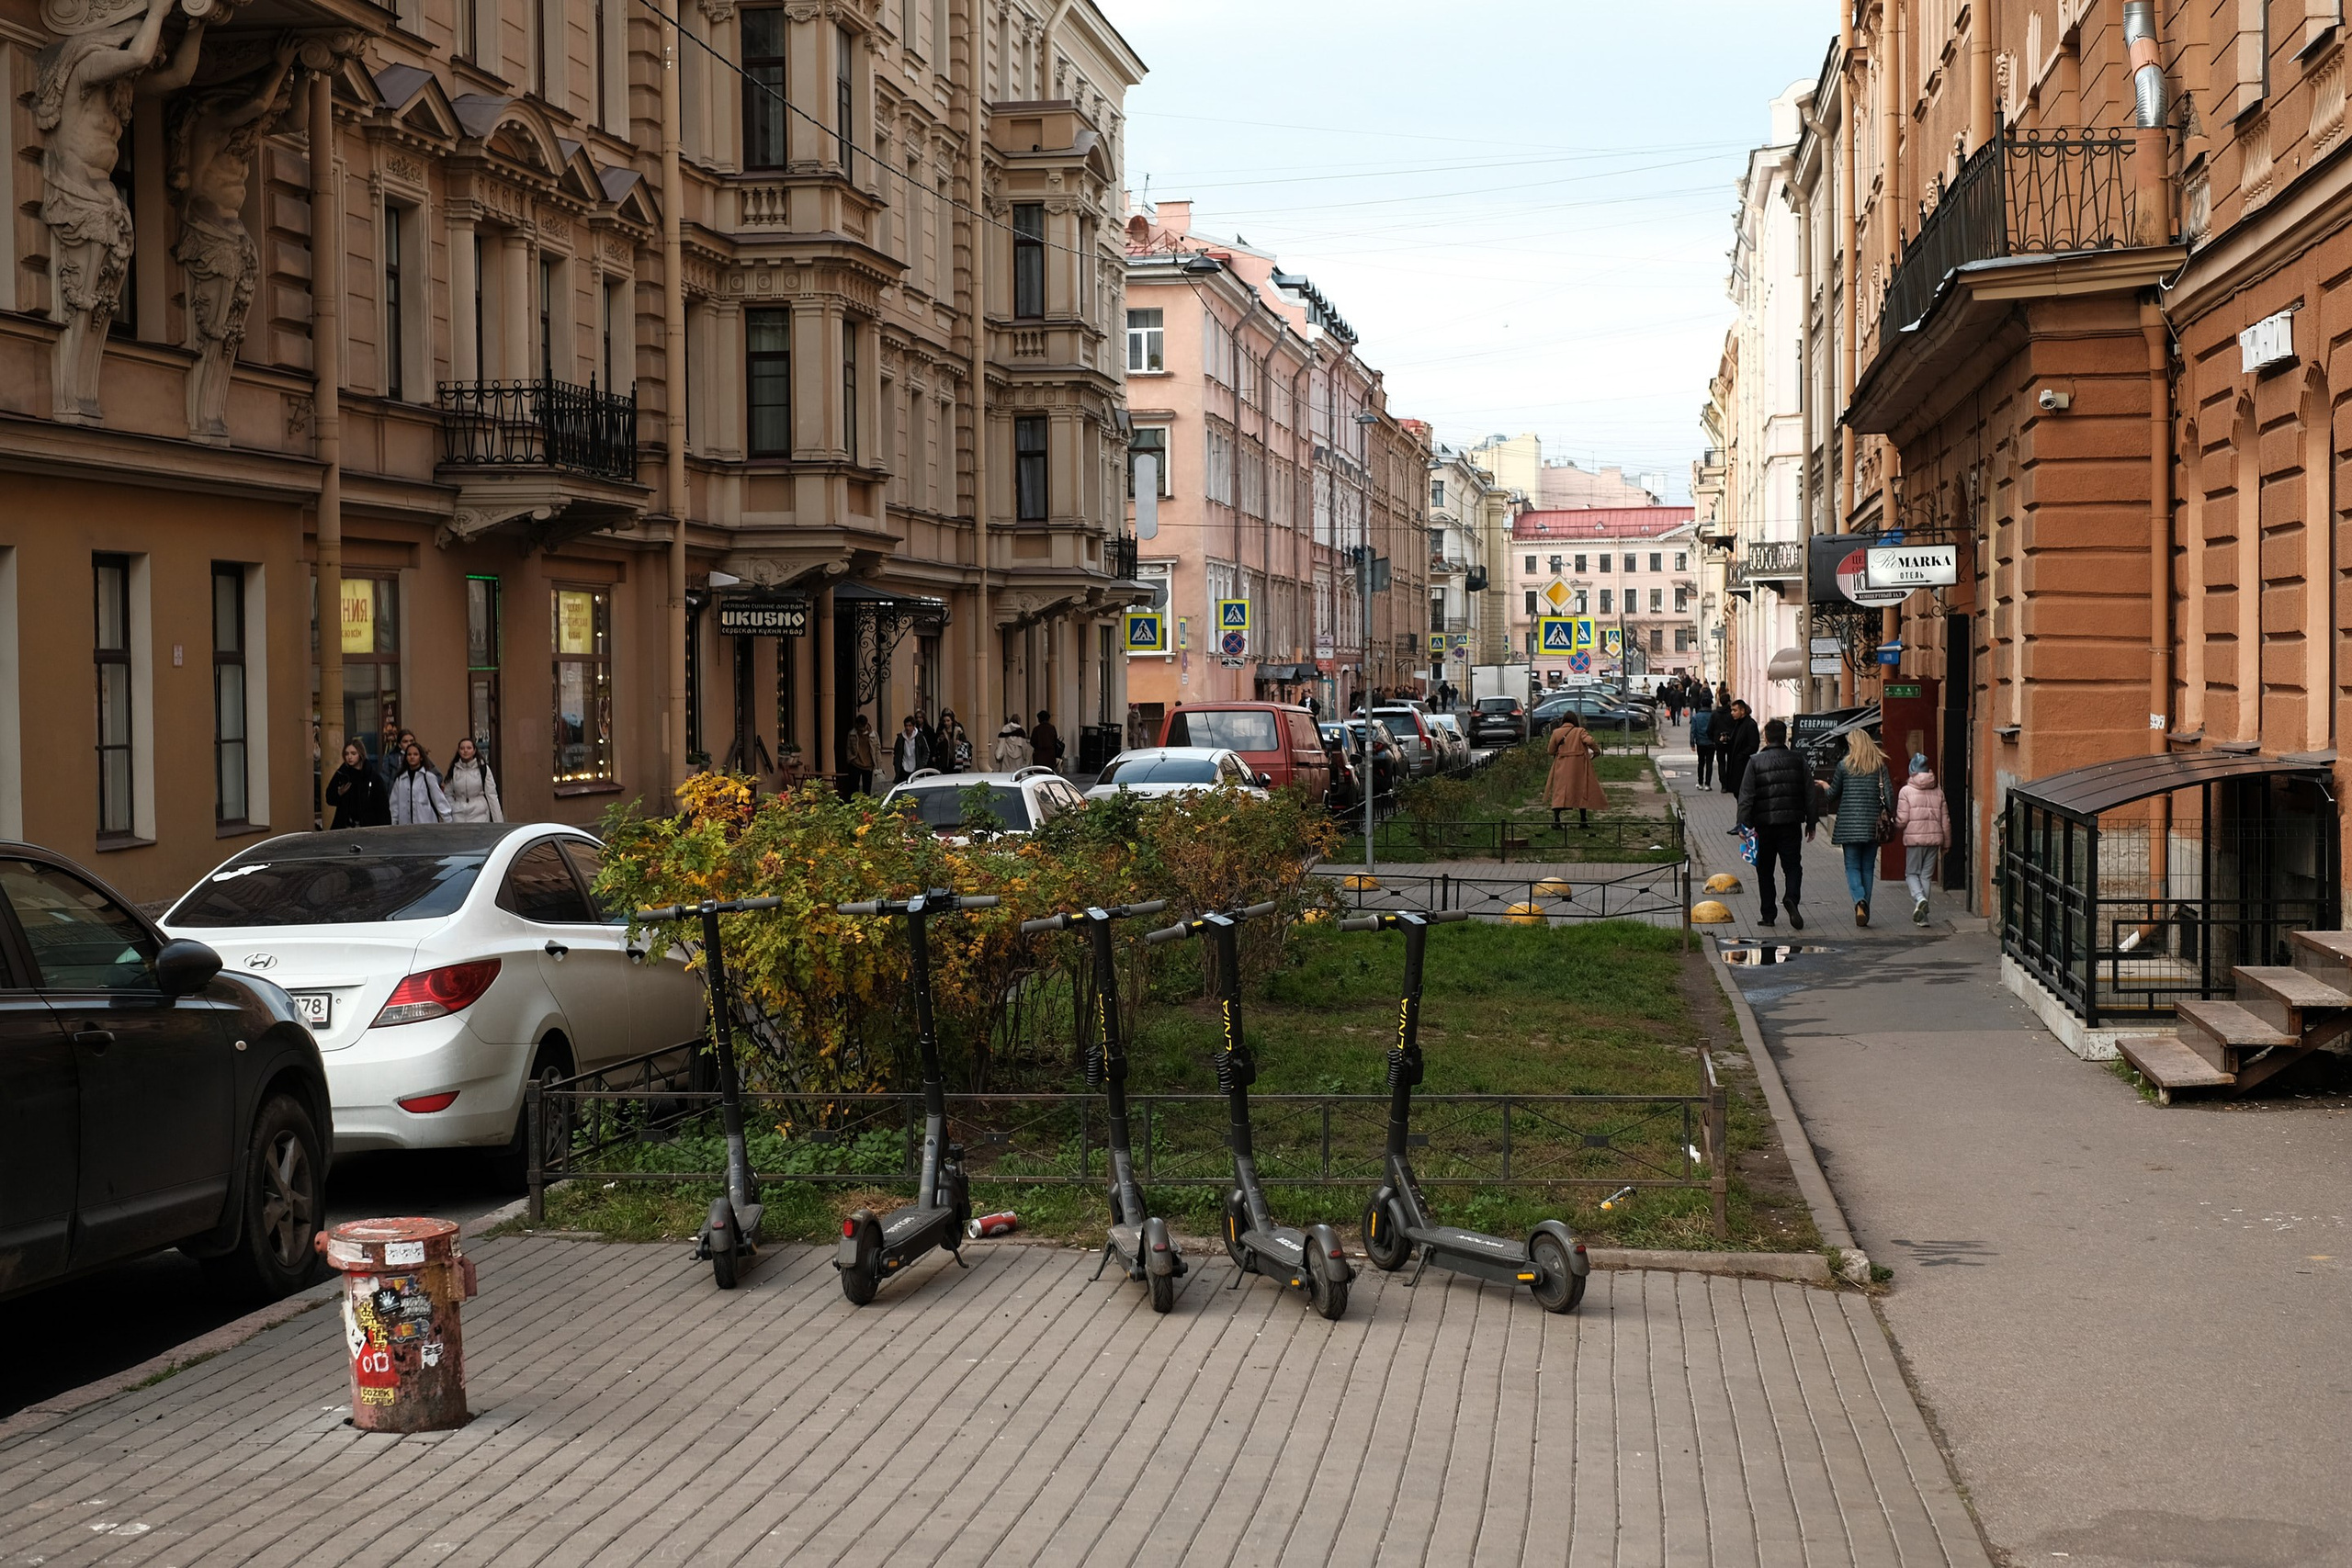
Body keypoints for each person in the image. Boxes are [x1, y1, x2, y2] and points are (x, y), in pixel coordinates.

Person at [1736, 717, 1818, 930]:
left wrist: (1743, 825)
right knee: (1792, 866)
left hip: (1763, 826)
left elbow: (1746, 796)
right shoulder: (1798, 760)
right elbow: (1810, 793)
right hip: (1791, 824)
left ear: (1766, 737)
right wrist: (1811, 822)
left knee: (1765, 870)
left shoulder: (1754, 762)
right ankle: (1791, 897)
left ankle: (1768, 915)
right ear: (1785, 738)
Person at [1821, 728, 1894, 927]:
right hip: (1873, 826)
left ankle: (1859, 900)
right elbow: (1889, 798)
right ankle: (1864, 906)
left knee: (1852, 866)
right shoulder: (1879, 766)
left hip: (1849, 825)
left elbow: (1832, 795)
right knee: (1868, 868)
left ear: (1853, 745)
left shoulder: (1844, 766)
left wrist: (1825, 787)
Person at [1895, 750, 1952, 926]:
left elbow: (1903, 819)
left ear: (1912, 770)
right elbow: (1945, 819)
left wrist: (1895, 824)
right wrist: (1947, 842)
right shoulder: (1938, 791)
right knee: (1926, 876)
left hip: (1915, 840)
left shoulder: (1906, 791)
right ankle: (1923, 918)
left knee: (1911, 873)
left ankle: (1920, 899)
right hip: (1934, 839)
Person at [1544, 711, 1607, 829]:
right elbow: (1590, 741)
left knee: (1560, 791)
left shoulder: (1556, 732)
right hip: (1578, 766)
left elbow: (1550, 751)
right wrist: (1596, 752)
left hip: (1561, 765)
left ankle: (1556, 820)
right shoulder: (1580, 731)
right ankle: (1583, 820)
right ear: (1575, 721)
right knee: (1581, 790)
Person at [325, 739, 390, 829]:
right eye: (346, 754)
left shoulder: (373, 777)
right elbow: (329, 798)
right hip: (345, 826)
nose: (349, 757)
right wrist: (339, 793)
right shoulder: (342, 774)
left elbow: (382, 807)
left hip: (368, 826)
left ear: (360, 754)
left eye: (353, 753)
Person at [388, 739, 451, 824]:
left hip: (427, 826)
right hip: (405, 827)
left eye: (415, 754)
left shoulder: (428, 777)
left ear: (421, 757)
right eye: (409, 754)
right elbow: (394, 806)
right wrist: (393, 823)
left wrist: (448, 821)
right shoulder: (400, 779)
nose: (412, 757)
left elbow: (440, 801)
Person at [444, 736, 503, 823]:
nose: (465, 751)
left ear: (474, 750)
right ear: (459, 751)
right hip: (458, 816)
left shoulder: (483, 768)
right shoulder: (454, 770)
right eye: (462, 748)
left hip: (480, 815)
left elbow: (492, 795)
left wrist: (498, 821)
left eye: (469, 748)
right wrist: (453, 808)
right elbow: (448, 793)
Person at [1717, 700, 1759, 796]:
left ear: (1742, 711)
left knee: (1743, 795)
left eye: (1735, 710)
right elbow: (1735, 742)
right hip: (1735, 766)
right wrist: (1726, 741)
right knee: (1738, 795)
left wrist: (1741, 756)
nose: (1732, 713)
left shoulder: (1750, 724)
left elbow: (1753, 746)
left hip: (1744, 767)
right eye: (1731, 710)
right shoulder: (1738, 724)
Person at [844, 715, 878, 795]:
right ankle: (854, 805)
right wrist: (850, 759)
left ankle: (865, 806)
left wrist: (878, 766)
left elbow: (877, 750)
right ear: (857, 725)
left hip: (868, 765)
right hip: (855, 763)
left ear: (867, 724)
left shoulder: (873, 735)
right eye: (860, 727)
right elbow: (848, 748)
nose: (862, 729)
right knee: (854, 789)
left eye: (863, 726)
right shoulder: (852, 734)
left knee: (867, 789)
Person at [891, 715, 930, 784]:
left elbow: (926, 751)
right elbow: (896, 752)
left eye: (909, 726)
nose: (907, 728)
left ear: (914, 726)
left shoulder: (919, 737)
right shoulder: (901, 738)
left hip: (916, 767)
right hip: (904, 767)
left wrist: (922, 764)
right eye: (906, 726)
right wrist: (896, 763)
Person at [1030, 709, 1064, 774]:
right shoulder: (1052, 728)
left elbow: (1032, 742)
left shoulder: (1036, 729)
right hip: (1050, 756)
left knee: (1039, 773)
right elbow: (1055, 741)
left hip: (1039, 756)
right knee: (1049, 773)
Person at [1690, 703, 1715, 787]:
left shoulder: (1696, 716)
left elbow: (1693, 731)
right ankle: (1708, 784)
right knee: (1709, 763)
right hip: (1711, 743)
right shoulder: (1713, 716)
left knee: (1701, 762)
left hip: (1700, 742)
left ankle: (1700, 783)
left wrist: (1692, 743)